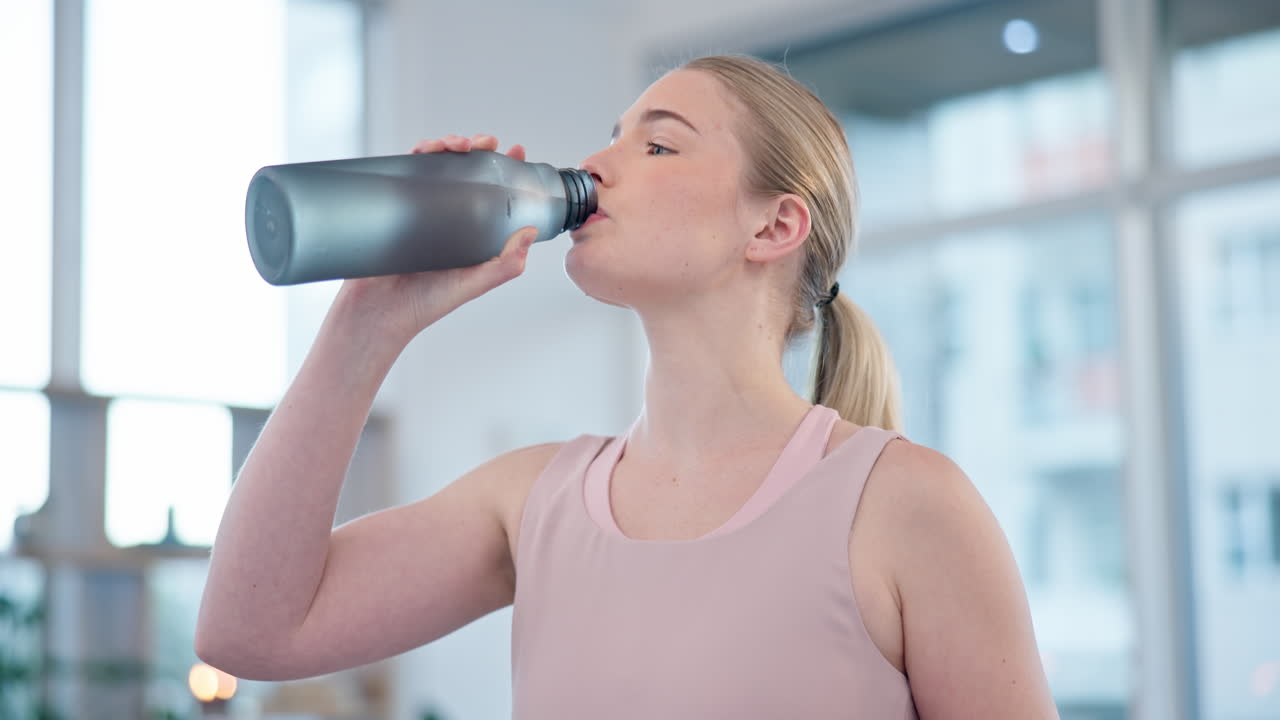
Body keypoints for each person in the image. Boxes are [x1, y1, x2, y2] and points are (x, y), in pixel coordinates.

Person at [196, 54, 1059, 719]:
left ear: (774, 224)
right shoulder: (533, 500)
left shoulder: (907, 505)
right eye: (612, 135)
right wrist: (366, 325)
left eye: (657, 143)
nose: (598, 164)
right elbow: (250, 631)